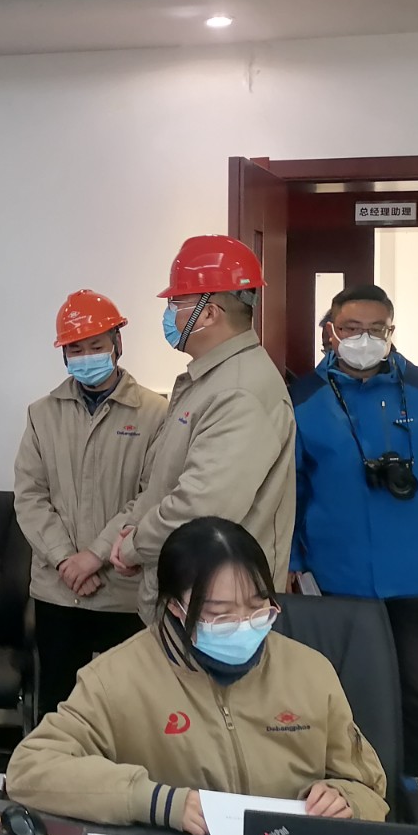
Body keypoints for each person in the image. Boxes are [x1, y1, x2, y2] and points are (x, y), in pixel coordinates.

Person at [8, 517, 389, 830]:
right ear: (176, 608)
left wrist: (346, 799)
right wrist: (155, 802)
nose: (244, 624)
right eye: (221, 614)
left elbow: (369, 787)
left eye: (258, 608)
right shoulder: (116, 678)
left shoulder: (310, 671)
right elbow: (29, 770)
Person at [288, 284, 418, 792]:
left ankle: (415, 790)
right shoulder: (303, 398)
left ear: (391, 332)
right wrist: (290, 559)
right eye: (352, 329)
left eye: (376, 329)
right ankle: (349, 790)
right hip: (335, 576)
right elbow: (288, 488)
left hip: (416, 575)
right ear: (331, 332)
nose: (364, 339)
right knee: (341, 692)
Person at [106, 235, 296, 622]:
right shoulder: (210, 381)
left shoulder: (239, 391)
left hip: (218, 610)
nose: (169, 315)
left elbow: (200, 506)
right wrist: (131, 529)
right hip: (190, 596)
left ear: (208, 314)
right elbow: (163, 484)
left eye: (176, 304)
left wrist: (135, 544)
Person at [14, 290, 167, 718]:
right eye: (75, 349)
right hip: (59, 592)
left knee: (127, 712)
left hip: (124, 593)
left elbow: (152, 496)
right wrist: (67, 560)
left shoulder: (155, 412)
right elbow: (30, 495)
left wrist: (95, 556)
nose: (86, 358)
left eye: (96, 346)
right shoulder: (42, 414)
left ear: (118, 344)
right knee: (59, 709)